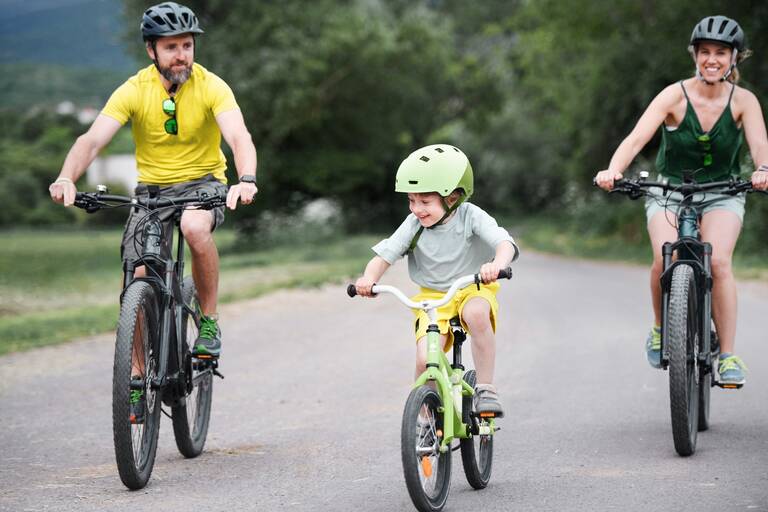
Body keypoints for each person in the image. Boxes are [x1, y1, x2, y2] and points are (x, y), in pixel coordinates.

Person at [49, 1, 257, 362]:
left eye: (187, 45)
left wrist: (247, 179)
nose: (181, 56)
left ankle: (208, 321)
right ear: (152, 49)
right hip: (152, 193)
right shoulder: (133, 89)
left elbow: (239, 137)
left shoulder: (212, 86)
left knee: (194, 227)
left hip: (203, 184)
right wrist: (67, 176)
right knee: (138, 275)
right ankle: (135, 375)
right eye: (171, 47)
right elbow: (93, 139)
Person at [595, 15, 768, 386]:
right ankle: (661, 328)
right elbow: (636, 138)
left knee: (718, 261)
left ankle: (728, 355)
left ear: (734, 57)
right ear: (694, 55)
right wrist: (613, 170)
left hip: (723, 191)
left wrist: (763, 169)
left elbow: (759, 145)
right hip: (671, 190)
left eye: (721, 53)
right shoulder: (675, 95)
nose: (712, 59)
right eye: (705, 52)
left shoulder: (744, 101)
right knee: (664, 256)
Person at [354, 144, 518, 416]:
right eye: (411, 200)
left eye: (425, 202)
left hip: (472, 287)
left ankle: (486, 388)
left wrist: (497, 264)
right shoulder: (413, 224)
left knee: (477, 314)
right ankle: (426, 419)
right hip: (432, 297)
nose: (416, 209)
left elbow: (504, 243)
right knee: (424, 358)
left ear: (452, 197)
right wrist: (368, 278)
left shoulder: (471, 216)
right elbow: (385, 255)